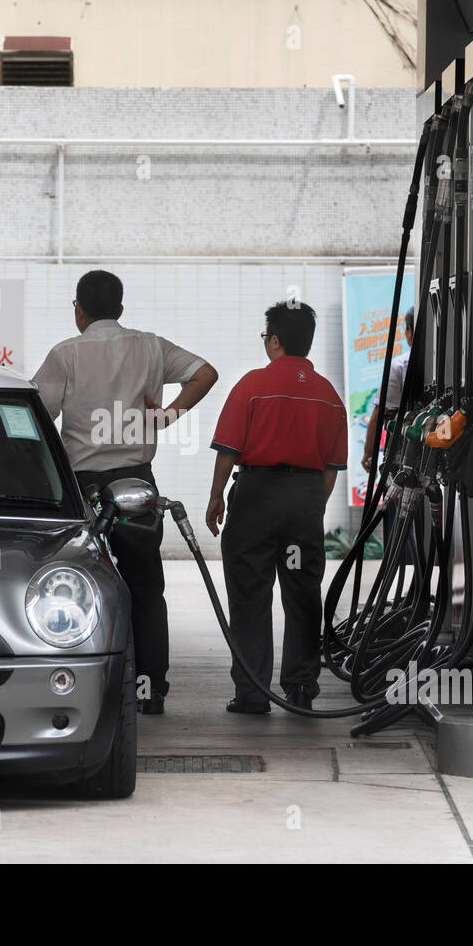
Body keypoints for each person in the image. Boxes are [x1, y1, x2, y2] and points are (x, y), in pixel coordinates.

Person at [32, 270, 218, 714]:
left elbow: (40, 417)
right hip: (137, 482)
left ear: (79, 309)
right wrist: (169, 415)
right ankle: (150, 688)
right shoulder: (151, 346)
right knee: (145, 584)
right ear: (120, 309)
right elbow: (205, 373)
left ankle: (80, 683)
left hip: (84, 489)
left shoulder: (65, 354)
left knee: (76, 586)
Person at [206, 301, 347, 713]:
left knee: (250, 591)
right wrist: (310, 507)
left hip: (256, 495)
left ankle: (252, 693)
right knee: (302, 592)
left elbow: (228, 450)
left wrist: (216, 496)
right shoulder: (328, 395)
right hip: (304, 497)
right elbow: (331, 468)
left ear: (275, 341)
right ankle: (301, 688)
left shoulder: (252, 385)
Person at [363, 306, 415, 474]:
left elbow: (379, 413)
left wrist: (368, 453)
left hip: (403, 453)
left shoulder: (400, 366)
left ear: (408, 330)